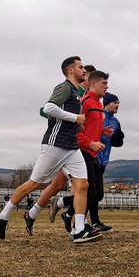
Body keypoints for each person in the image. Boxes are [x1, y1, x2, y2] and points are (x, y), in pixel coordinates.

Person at [0, 56, 100, 243]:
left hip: (72, 147)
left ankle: (80, 230)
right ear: (70, 71)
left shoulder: (75, 92)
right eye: (81, 67)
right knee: (34, 183)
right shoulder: (64, 87)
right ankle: (3, 216)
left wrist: (76, 125)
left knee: (83, 185)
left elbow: (62, 117)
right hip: (55, 144)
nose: (84, 70)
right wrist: (75, 118)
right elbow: (49, 108)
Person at [23, 64, 96, 235]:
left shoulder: (84, 95)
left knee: (66, 185)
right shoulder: (73, 91)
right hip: (66, 143)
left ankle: (40, 213)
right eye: (86, 74)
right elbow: (45, 110)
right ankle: (74, 218)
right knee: (63, 185)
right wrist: (71, 120)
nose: (86, 75)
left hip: (75, 144)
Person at [49, 70, 114, 232]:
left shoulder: (99, 104)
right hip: (81, 152)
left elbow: (89, 127)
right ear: (93, 84)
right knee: (89, 191)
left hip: (93, 154)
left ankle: (62, 205)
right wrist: (90, 143)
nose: (107, 87)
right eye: (104, 83)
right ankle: (79, 226)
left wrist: (101, 131)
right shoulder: (84, 102)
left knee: (98, 193)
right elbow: (75, 131)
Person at [91, 91, 124, 231]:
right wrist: (101, 132)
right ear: (106, 104)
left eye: (118, 103)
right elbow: (90, 133)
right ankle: (93, 221)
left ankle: (66, 208)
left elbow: (116, 142)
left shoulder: (116, 122)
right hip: (93, 157)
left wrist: (120, 137)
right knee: (95, 193)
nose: (117, 105)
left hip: (104, 160)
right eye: (114, 102)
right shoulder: (99, 117)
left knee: (95, 193)